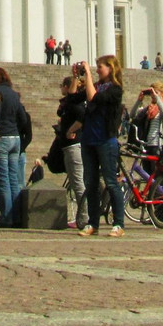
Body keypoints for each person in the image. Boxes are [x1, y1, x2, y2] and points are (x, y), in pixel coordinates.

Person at [78, 55, 125, 237]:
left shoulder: (115, 90)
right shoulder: (96, 86)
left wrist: (88, 74)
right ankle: (93, 223)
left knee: (111, 182)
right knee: (90, 184)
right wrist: (76, 78)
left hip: (105, 139)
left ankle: (119, 224)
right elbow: (74, 98)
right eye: (96, 67)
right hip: (89, 139)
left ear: (111, 68)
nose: (97, 70)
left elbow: (94, 98)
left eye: (100, 67)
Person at [0, 67, 31, 227]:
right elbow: (23, 118)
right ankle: (17, 217)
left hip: (3, 138)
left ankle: (6, 218)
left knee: (3, 180)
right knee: (14, 179)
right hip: (15, 139)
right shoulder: (14, 94)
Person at [55, 74, 87, 230]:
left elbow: (82, 117)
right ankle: (83, 217)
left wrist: (71, 130)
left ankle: (84, 218)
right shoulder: (71, 103)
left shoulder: (76, 104)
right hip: (69, 146)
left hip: (74, 146)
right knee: (76, 183)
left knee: (78, 184)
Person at [130, 82, 163, 156]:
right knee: (146, 167)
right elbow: (132, 115)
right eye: (152, 93)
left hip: (157, 144)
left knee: (154, 167)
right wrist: (139, 101)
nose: (152, 95)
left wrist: (157, 98)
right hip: (146, 144)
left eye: (156, 92)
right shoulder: (149, 108)